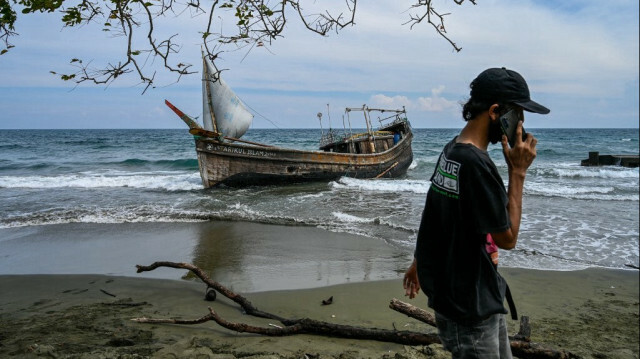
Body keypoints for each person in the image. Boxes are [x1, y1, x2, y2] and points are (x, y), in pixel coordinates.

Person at [403, 67, 550, 358]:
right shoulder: (475, 165)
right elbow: (507, 238)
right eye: (517, 114)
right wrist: (518, 172)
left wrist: (418, 262)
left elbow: (434, 215)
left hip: (477, 297)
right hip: (468, 307)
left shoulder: (453, 150)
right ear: (495, 112)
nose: (520, 124)